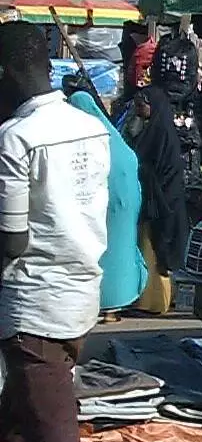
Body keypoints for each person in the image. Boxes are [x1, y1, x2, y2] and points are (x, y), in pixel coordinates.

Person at [0, 22, 115, 442]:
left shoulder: (16, 138)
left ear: (8, 73)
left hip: (33, 305)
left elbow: (11, 238)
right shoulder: (89, 125)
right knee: (17, 441)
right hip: (75, 298)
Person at [64, 80, 144, 319]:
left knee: (103, 253)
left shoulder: (86, 139)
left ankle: (101, 302)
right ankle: (117, 304)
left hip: (103, 205)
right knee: (123, 249)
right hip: (127, 204)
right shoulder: (111, 136)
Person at [126, 85, 190, 315]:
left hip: (164, 202)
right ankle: (147, 300)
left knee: (157, 252)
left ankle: (156, 303)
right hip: (156, 200)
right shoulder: (150, 130)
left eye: (141, 105)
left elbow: (158, 169)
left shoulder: (161, 133)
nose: (137, 109)